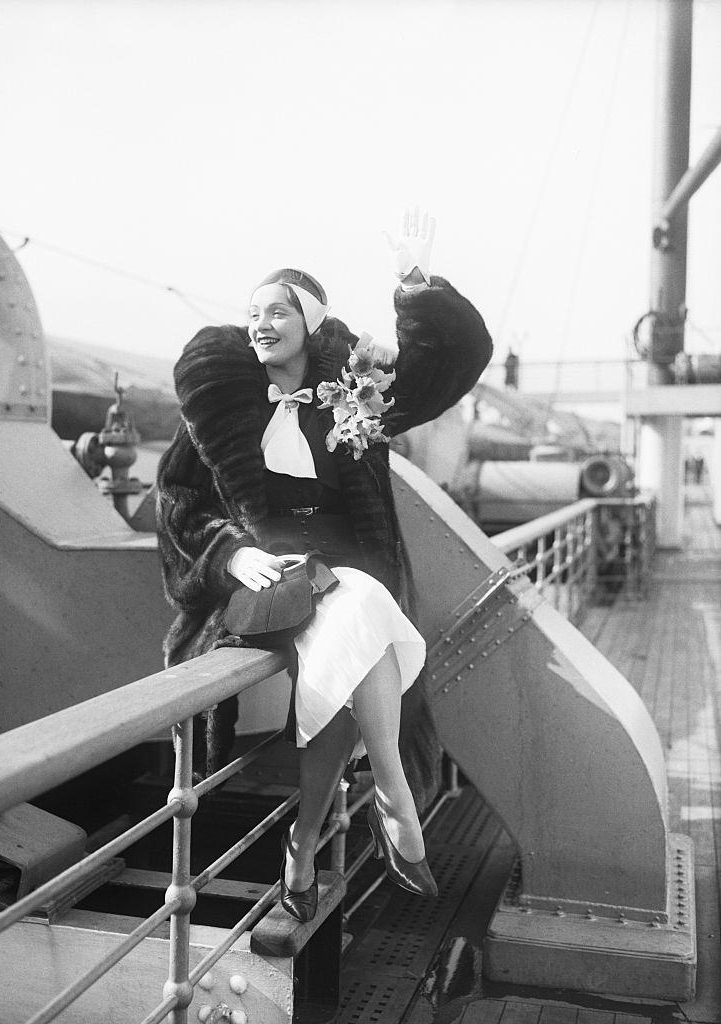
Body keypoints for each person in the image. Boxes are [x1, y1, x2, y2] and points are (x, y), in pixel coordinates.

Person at [156, 208, 493, 920]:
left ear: (310, 322)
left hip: (345, 575)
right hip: (263, 584)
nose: (259, 324)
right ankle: (394, 795)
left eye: (277, 312)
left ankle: (303, 845)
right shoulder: (219, 402)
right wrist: (230, 553)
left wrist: (413, 280)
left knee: (355, 634)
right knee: (365, 612)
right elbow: (179, 501)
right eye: (251, 313)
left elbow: (445, 369)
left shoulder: (355, 389)